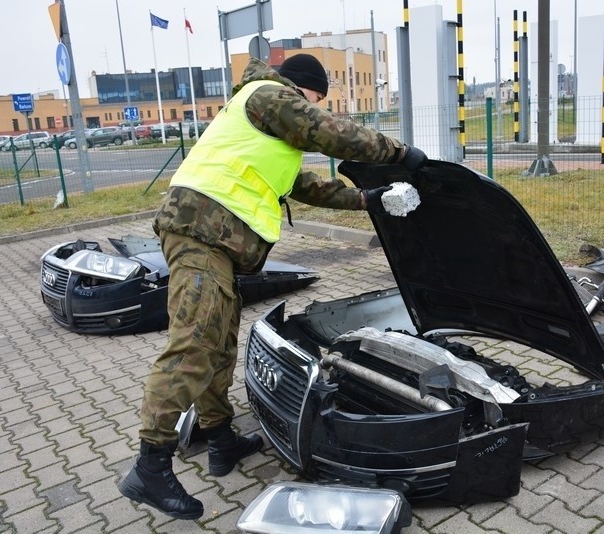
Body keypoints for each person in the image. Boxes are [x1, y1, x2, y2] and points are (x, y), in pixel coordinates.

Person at [118, 53, 427, 520]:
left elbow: (304, 186)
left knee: (218, 344)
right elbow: (332, 133)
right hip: (199, 231)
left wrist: (368, 199)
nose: (317, 107)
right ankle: (150, 465)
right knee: (193, 345)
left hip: (213, 238)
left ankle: (220, 439)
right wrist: (400, 154)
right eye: (317, 100)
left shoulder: (265, 122)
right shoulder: (269, 96)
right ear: (302, 89)